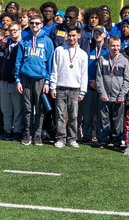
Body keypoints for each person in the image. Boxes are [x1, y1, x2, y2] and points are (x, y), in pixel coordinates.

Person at [15, 13, 55, 147]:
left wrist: (48, 81)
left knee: (39, 108)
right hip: (26, 78)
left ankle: (37, 134)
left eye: (37, 23)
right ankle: (27, 133)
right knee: (27, 108)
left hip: (40, 79)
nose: (34, 25)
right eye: (32, 23)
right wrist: (18, 79)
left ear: (41, 25)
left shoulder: (48, 41)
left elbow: (50, 63)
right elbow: (18, 61)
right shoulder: (24, 40)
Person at [49, 26, 88, 148]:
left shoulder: (82, 54)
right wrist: (53, 87)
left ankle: (72, 139)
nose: (71, 38)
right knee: (60, 115)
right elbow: (54, 69)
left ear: (79, 36)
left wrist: (82, 91)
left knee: (74, 115)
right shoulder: (59, 50)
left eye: (73, 35)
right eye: (69, 35)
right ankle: (60, 138)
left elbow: (84, 74)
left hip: (75, 88)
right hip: (61, 86)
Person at [96, 36, 129, 149]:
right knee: (104, 119)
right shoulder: (102, 59)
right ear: (108, 46)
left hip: (118, 97)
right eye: (113, 46)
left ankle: (116, 141)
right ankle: (104, 140)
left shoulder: (124, 61)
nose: (115, 48)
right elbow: (99, 78)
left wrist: (121, 95)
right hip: (105, 96)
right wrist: (103, 94)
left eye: (117, 46)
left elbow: (127, 80)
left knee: (118, 120)